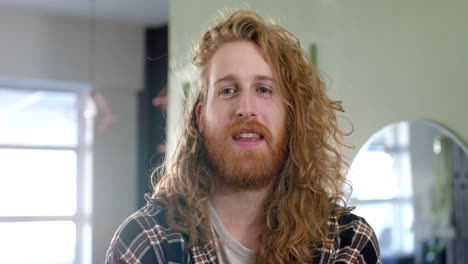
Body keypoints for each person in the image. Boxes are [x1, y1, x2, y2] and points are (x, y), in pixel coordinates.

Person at [106, 9, 381, 264]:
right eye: (227, 90)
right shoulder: (147, 242)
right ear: (201, 118)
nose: (245, 109)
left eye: (263, 89)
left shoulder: (346, 243)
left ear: (291, 115)